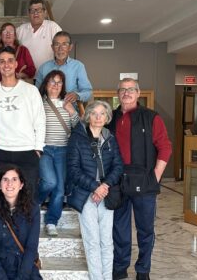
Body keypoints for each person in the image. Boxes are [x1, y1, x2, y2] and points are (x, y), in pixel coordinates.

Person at [109, 78, 172, 280]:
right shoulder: (110, 118)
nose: (126, 93)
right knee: (119, 229)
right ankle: (120, 267)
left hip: (145, 181)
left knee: (145, 230)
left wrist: (155, 176)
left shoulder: (151, 117)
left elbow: (165, 147)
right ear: (117, 93)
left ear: (138, 93)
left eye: (130, 89)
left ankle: (143, 270)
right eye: (122, 90)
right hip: (118, 181)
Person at [67, 101, 123, 280]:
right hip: (87, 196)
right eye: (94, 113)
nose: (98, 117)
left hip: (106, 195)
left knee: (106, 242)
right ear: (88, 116)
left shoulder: (110, 138)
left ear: (107, 118)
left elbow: (118, 166)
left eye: (102, 114)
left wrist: (104, 186)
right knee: (92, 242)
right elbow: (73, 169)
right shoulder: (77, 137)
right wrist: (95, 187)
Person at [0, 46, 46, 198]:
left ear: (16, 64)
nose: (6, 64)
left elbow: (40, 120)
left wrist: (38, 148)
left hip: (27, 151)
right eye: (2, 61)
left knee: (28, 198)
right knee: (2, 199)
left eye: (10, 60)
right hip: (2, 151)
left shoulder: (31, 90)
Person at [0, 164, 42, 280]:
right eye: (5, 179)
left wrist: (22, 276)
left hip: (23, 266)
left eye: (14, 179)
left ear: (21, 185)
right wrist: (0, 276)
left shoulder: (33, 209)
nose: (9, 184)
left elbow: (31, 247)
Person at [37, 70, 79, 236]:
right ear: (46, 85)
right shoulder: (38, 103)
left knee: (60, 189)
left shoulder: (67, 103)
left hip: (63, 150)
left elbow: (78, 128)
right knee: (49, 182)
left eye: (59, 82)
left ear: (63, 86)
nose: (55, 85)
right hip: (45, 149)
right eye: (52, 82)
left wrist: (71, 111)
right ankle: (34, 203)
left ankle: (51, 221)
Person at [35, 31, 93, 104]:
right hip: (47, 109)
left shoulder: (78, 66)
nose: (60, 48)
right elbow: (36, 92)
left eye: (64, 44)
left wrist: (77, 95)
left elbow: (88, 92)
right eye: (57, 44)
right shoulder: (43, 67)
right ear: (52, 47)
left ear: (70, 47)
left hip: (70, 111)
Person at [17, 0, 62, 74]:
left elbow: (61, 49)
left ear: (45, 12)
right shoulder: (20, 30)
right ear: (28, 13)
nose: (35, 13)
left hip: (47, 76)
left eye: (39, 10)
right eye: (32, 10)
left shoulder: (53, 27)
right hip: (26, 78)